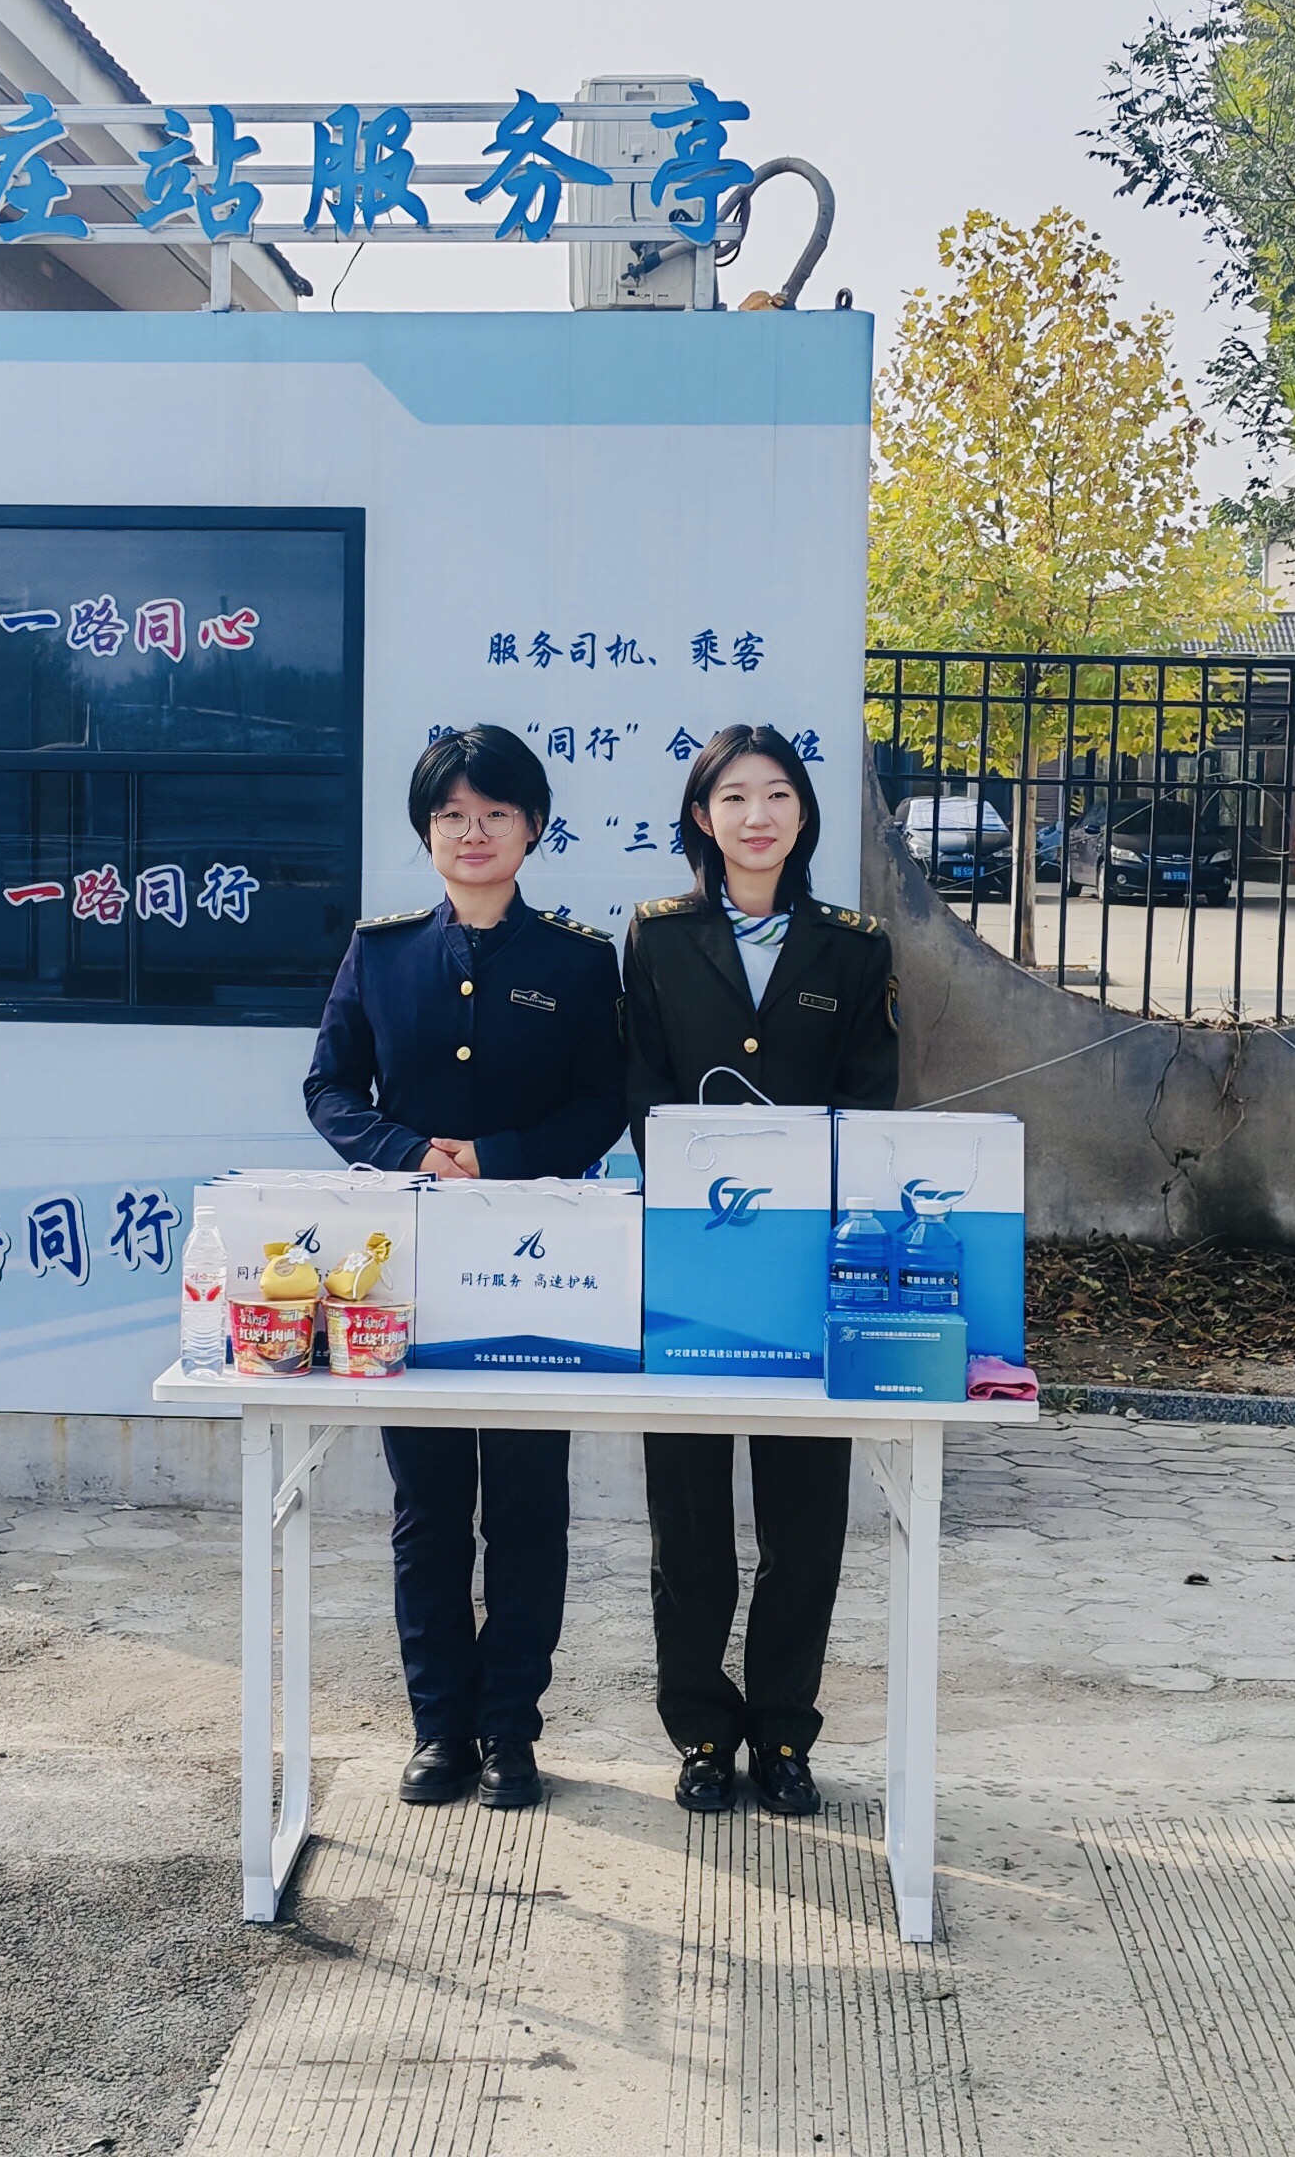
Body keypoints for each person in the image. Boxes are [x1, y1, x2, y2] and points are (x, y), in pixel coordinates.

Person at [305, 725, 625, 1811]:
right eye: (450, 816)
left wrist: (502, 1156)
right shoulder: (383, 951)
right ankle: (439, 1729)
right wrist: (407, 1153)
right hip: (412, 1268)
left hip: (539, 1272)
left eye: (494, 814)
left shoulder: (578, 961)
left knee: (528, 1508)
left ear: (532, 828)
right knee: (428, 1509)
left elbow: (602, 1099)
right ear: (427, 832)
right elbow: (329, 1087)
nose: (472, 833)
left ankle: (511, 1732)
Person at [622, 724, 897, 1816]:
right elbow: (641, 1087)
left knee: (805, 1519)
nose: (756, 816)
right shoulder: (656, 937)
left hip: (805, 1265)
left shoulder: (853, 947)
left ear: (803, 813)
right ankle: (700, 1729)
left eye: (777, 794)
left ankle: (784, 1731)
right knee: (687, 1518)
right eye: (733, 796)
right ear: (702, 816)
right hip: (692, 1263)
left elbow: (869, 1100)